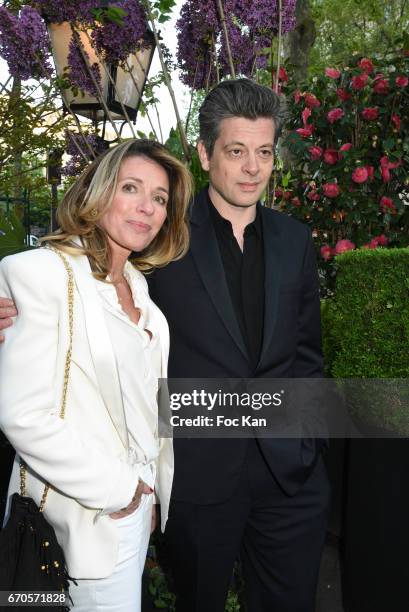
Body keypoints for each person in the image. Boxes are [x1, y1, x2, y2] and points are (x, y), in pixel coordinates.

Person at [0, 78, 329, 612]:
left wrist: (312, 447)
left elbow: (308, 356)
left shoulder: (295, 239)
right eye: (236, 151)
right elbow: (78, 281)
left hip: (290, 477)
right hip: (199, 481)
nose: (252, 168)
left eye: (264, 152)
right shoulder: (162, 235)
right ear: (205, 154)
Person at [0, 138, 192, 612]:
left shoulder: (140, 288)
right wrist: (120, 490)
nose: (147, 207)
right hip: (80, 519)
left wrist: (148, 496)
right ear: (99, 194)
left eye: (160, 198)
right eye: (131, 188)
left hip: (132, 514)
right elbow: (23, 416)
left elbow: (145, 406)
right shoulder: (42, 273)